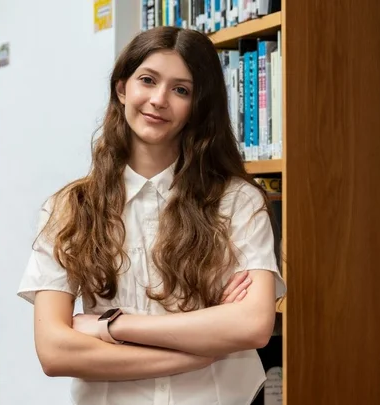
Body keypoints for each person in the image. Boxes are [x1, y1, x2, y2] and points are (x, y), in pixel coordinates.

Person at [17, 25, 286, 405]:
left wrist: (110, 326)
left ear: (197, 107)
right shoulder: (71, 208)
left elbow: (254, 326)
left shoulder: (238, 202)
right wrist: (197, 351)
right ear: (122, 88)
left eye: (181, 90)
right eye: (148, 80)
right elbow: (54, 350)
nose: (159, 99)